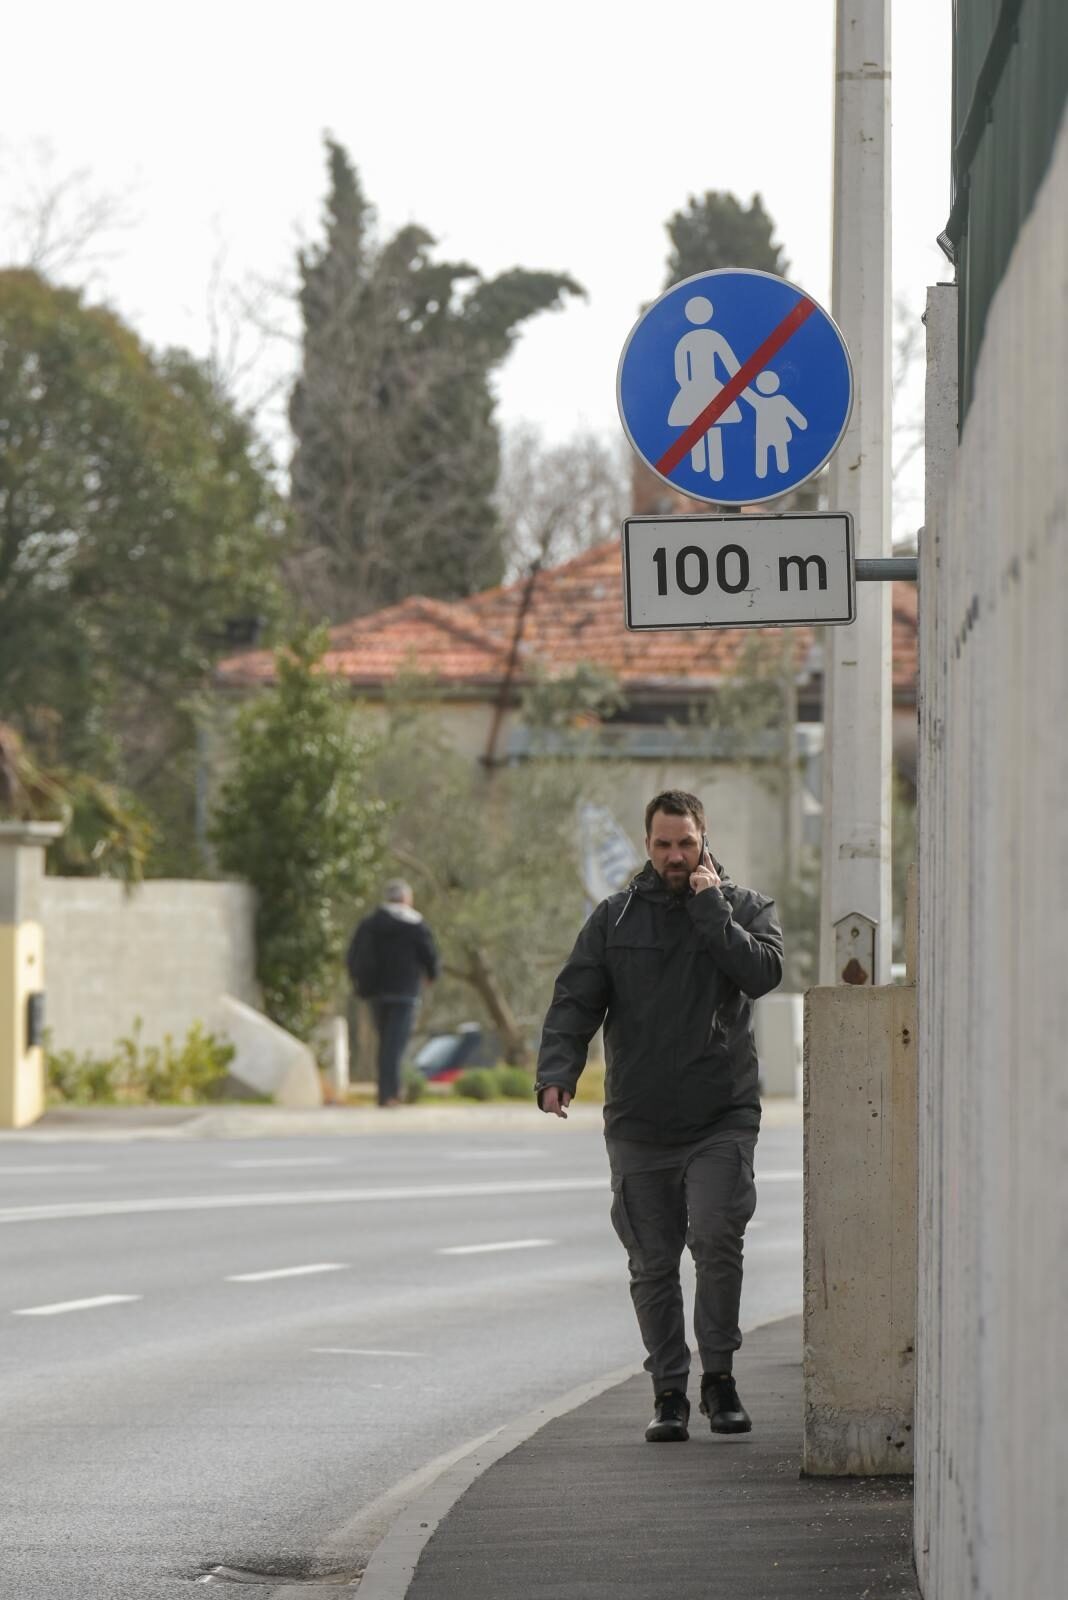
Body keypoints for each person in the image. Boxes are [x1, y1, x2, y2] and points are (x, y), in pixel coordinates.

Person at [535, 790, 783, 1443]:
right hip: (640, 1120)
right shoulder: (615, 921)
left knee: (717, 1237)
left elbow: (762, 974)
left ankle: (720, 1380)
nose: (676, 856)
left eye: (687, 843)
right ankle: (669, 1392)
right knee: (651, 1262)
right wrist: (558, 1073)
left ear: (704, 838)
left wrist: (711, 910)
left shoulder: (746, 907)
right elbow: (575, 1001)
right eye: (665, 845)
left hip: (721, 1114)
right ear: (649, 845)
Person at [346, 880, 439, 1107]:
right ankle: (390, 1094)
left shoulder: (370, 924)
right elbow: (430, 956)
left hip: (376, 993)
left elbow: (353, 955)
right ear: (406, 899)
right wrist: (431, 975)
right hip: (405, 993)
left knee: (386, 1041)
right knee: (394, 1044)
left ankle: (387, 1092)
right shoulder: (416, 924)